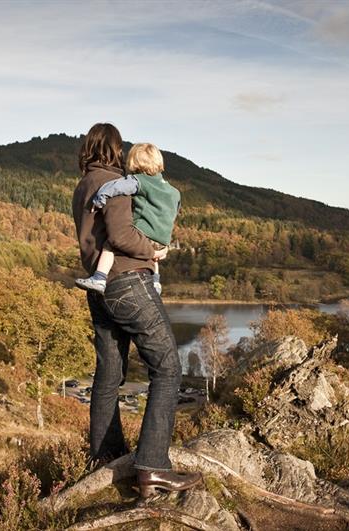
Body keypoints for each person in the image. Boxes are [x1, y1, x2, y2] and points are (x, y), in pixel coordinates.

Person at [72, 123, 201, 498]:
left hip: (100, 289)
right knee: (168, 368)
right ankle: (153, 468)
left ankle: (105, 462)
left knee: (109, 376)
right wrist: (155, 251)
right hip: (129, 283)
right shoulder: (113, 181)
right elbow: (121, 236)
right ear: (114, 149)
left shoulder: (83, 185)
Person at [75, 142, 180, 296]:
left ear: (133, 162)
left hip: (142, 236)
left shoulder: (138, 181)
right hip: (162, 241)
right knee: (155, 258)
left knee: (109, 245)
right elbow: (174, 211)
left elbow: (116, 188)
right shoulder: (174, 191)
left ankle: (99, 278)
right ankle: (156, 281)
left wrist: (100, 197)